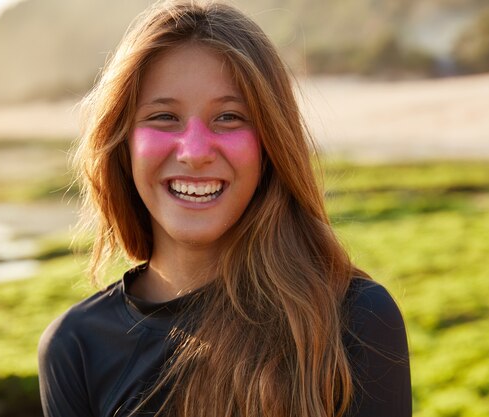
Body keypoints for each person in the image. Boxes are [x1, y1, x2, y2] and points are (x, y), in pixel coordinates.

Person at [38, 1, 411, 416]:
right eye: (164, 116)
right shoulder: (75, 346)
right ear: (122, 143)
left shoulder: (354, 319)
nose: (195, 153)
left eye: (229, 117)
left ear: (270, 143)